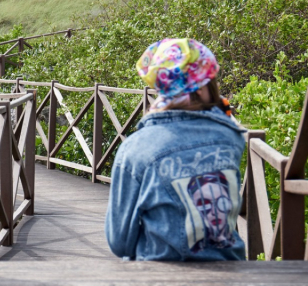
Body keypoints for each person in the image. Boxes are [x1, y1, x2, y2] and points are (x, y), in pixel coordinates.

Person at [105, 38, 246, 261]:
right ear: (200, 89)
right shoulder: (232, 137)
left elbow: (119, 242)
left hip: (160, 280)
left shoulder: (133, 149)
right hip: (230, 273)